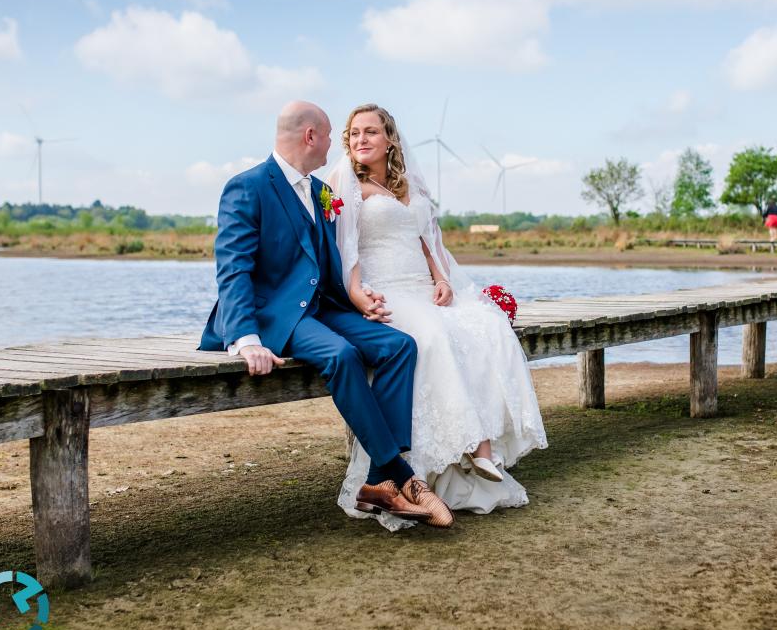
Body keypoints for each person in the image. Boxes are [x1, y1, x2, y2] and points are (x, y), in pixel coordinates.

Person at [199, 100, 454, 528]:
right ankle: (402, 475)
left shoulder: (318, 189)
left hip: (323, 308)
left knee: (398, 346)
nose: (342, 146)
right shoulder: (248, 186)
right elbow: (233, 269)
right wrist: (247, 340)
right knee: (341, 356)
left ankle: (377, 483)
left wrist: (360, 299)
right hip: (275, 317)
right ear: (310, 136)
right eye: (333, 135)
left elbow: (332, 259)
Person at [328, 103, 547, 531]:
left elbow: (428, 240)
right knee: (433, 336)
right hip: (386, 290)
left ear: (390, 138)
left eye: (371, 132)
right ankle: (466, 449)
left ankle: (481, 453)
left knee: (484, 326)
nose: (361, 140)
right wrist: (357, 296)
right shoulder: (346, 184)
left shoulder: (407, 183)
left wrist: (443, 279)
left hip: (423, 286)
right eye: (354, 133)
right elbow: (345, 248)